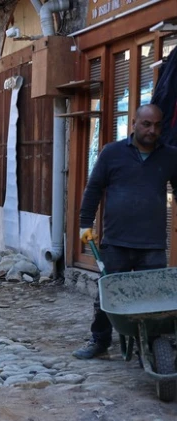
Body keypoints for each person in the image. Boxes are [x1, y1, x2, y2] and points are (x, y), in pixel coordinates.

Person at [73, 104, 177, 359]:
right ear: (134, 124)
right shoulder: (112, 153)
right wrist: (85, 224)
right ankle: (100, 341)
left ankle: (150, 346)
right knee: (107, 296)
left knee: (153, 300)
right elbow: (94, 188)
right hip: (116, 241)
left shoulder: (170, 156)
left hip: (151, 244)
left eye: (157, 125)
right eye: (146, 124)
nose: (152, 130)